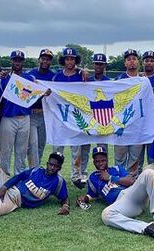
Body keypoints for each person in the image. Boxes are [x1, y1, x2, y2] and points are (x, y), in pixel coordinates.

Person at [101, 164, 154, 242]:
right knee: (106, 214)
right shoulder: (93, 177)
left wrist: (110, 177)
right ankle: (147, 227)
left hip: (132, 193)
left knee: (149, 172)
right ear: (94, 161)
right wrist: (87, 198)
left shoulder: (117, 168)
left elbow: (130, 181)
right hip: (123, 204)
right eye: (97, 161)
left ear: (107, 159)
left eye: (103, 160)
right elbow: (94, 194)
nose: (101, 163)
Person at [52, 47, 88, 189]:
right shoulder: (57, 77)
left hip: (75, 117)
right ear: (63, 60)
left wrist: (83, 71)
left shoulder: (81, 76)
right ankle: (56, 175)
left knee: (76, 149)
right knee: (57, 148)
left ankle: (76, 176)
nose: (69, 61)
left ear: (76, 60)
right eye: (67, 58)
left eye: (72, 58)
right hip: (60, 117)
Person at [0, 50, 35, 176]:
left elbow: (35, 95)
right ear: (11, 61)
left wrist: (43, 93)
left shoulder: (29, 78)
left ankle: (19, 176)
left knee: (22, 151)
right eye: (15, 60)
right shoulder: (4, 77)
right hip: (8, 117)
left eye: (19, 60)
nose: (17, 62)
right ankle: (4, 177)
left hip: (25, 117)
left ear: (23, 62)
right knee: (6, 150)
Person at [113, 49, 144, 174]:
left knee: (134, 158)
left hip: (138, 125)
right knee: (120, 158)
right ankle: (119, 181)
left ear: (138, 62)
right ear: (125, 63)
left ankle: (133, 183)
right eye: (128, 59)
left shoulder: (144, 81)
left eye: (134, 59)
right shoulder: (118, 80)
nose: (131, 61)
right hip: (121, 125)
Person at [27, 49, 55, 168]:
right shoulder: (30, 74)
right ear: (39, 60)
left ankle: (36, 169)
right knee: (32, 144)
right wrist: (40, 92)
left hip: (46, 114)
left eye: (48, 59)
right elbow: (25, 93)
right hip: (32, 113)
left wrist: (81, 71)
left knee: (40, 145)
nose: (45, 61)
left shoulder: (53, 76)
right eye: (43, 58)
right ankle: (33, 169)